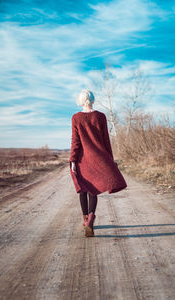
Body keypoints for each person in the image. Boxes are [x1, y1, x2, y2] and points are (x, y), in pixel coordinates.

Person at [69, 89, 127, 237]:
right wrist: (110, 159)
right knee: (93, 191)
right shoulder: (100, 116)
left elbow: (75, 142)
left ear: (81, 101)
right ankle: (91, 219)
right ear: (93, 100)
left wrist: (73, 160)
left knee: (82, 189)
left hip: (83, 159)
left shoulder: (76, 118)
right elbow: (106, 140)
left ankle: (85, 220)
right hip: (99, 158)